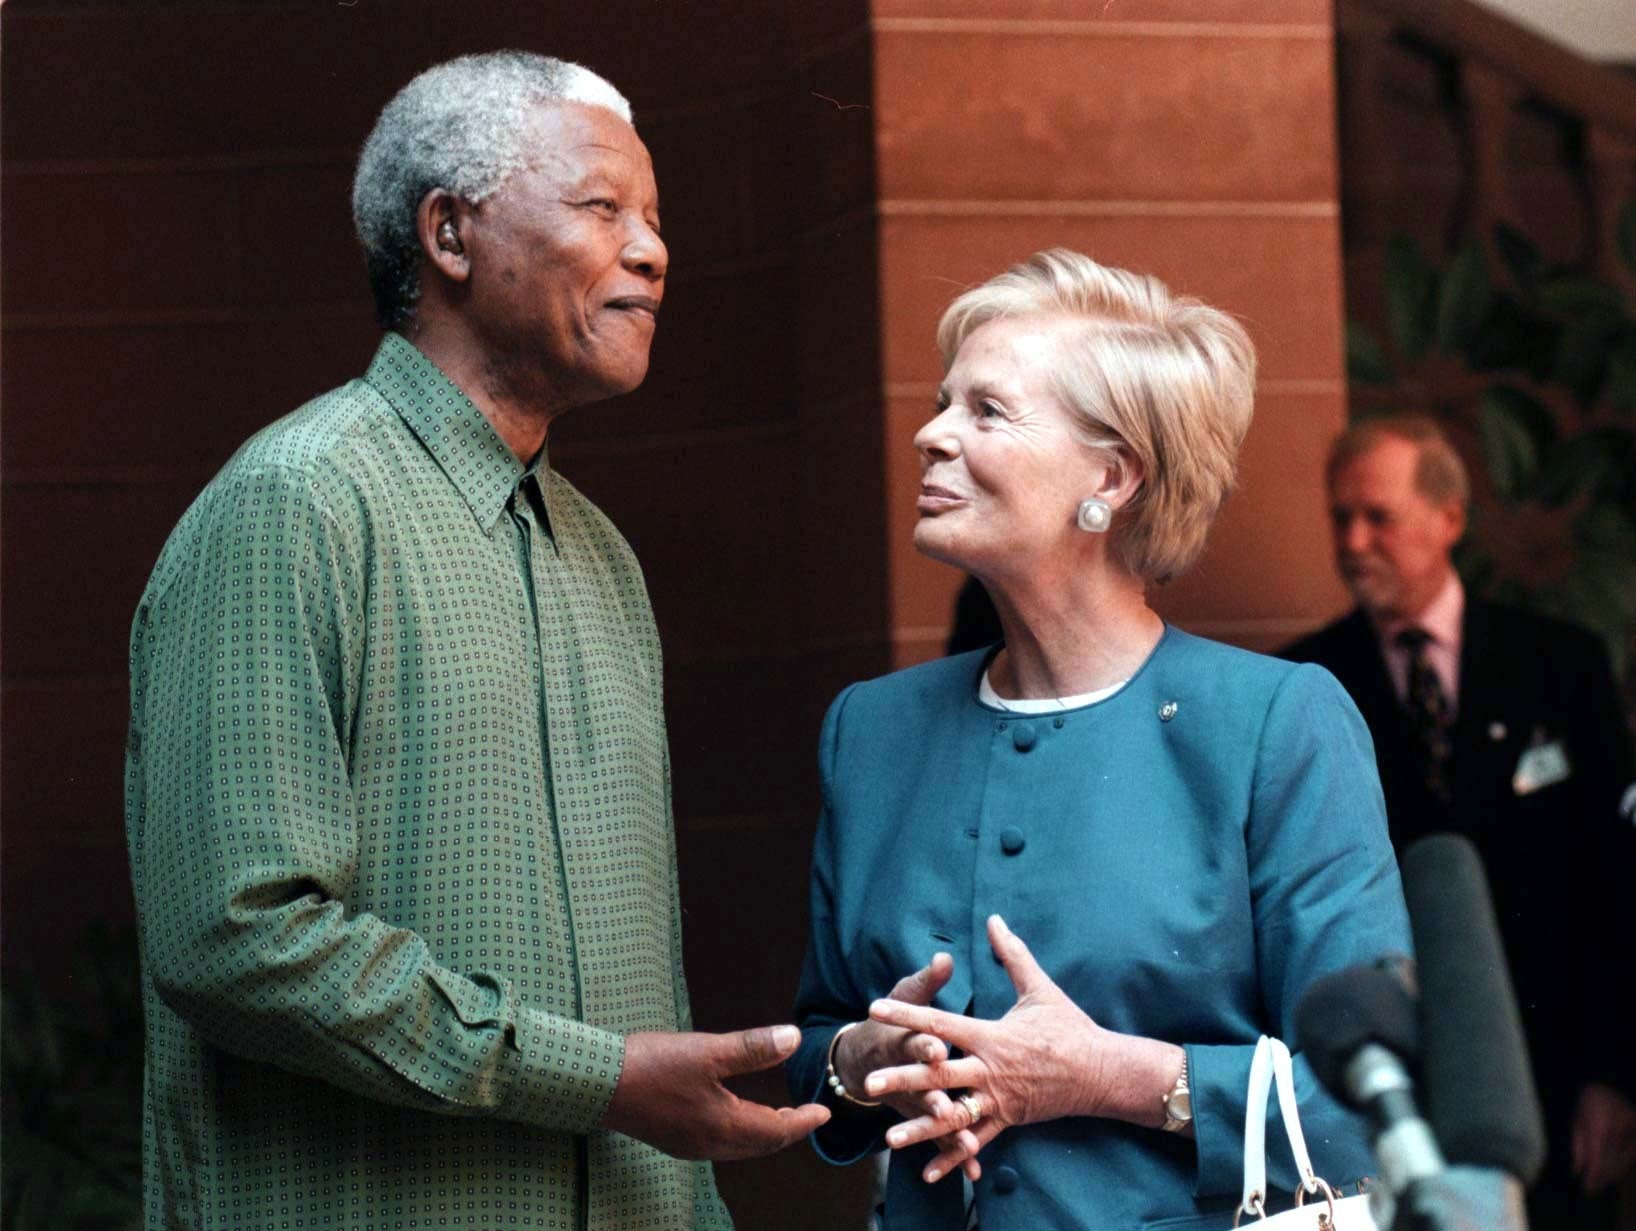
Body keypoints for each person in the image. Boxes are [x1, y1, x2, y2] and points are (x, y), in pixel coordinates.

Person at [123, 51, 826, 1229]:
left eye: (655, 220)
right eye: (604, 209)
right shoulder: (293, 503)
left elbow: (640, 989)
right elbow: (233, 936)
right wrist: (593, 1078)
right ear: (450, 234)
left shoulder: (602, 557)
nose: (652, 252)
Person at [789, 249, 1411, 1228]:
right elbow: (811, 1048)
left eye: (985, 411)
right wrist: (859, 1061)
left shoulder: (1273, 724)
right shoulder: (870, 729)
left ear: (1111, 476)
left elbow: (1368, 1106)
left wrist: (1106, 1075)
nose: (930, 434)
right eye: (943, 401)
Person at [1280, 415, 1636, 1231]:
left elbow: (1614, 883)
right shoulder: (1307, 682)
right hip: (1385, 1085)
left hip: (1550, 1079)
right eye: (1340, 517)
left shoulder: (1560, 664)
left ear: (1448, 519)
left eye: (1379, 516)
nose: (1354, 540)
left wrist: (1614, 1074)